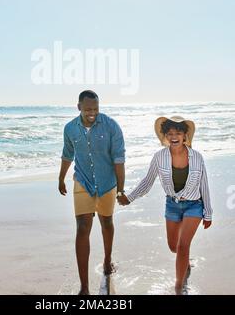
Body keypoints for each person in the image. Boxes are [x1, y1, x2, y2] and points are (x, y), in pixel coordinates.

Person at [117, 115, 213, 295]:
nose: (174, 136)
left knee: (183, 246)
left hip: (194, 205)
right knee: (173, 247)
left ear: (185, 135)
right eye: (170, 133)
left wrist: (208, 213)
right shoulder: (159, 157)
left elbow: (204, 185)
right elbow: (147, 182)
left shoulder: (197, 157)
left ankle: (179, 286)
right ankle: (185, 263)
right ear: (165, 136)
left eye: (178, 132)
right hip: (172, 205)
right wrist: (130, 197)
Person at [58, 90, 126, 295]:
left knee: (106, 222)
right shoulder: (70, 128)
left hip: (107, 182)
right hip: (83, 182)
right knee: (82, 227)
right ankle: (84, 287)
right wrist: (61, 177)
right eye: (88, 109)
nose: (92, 113)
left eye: (95, 108)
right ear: (79, 107)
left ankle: (107, 260)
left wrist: (121, 189)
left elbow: (119, 159)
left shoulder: (111, 125)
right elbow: (67, 154)